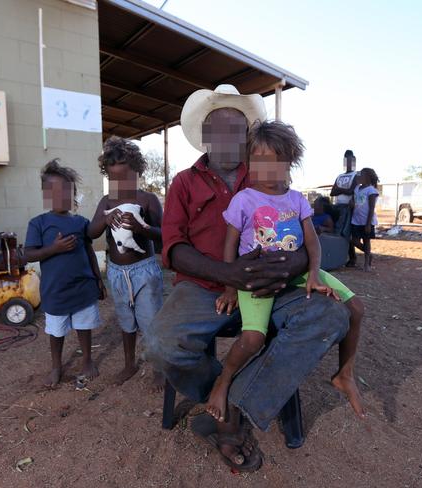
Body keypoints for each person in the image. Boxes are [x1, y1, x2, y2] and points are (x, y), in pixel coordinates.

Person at [145, 85, 350, 472]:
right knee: (160, 345)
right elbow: (173, 248)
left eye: (236, 130)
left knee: (330, 316)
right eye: (217, 130)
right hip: (205, 288)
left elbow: (307, 237)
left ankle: (233, 406)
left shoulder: (267, 173)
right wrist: (227, 274)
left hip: (272, 287)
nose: (228, 138)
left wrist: (292, 267)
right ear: (204, 137)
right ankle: (223, 400)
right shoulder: (184, 183)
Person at [206, 120, 366, 423]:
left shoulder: (296, 199)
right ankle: (224, 379)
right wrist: (230, 285)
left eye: (275, 161)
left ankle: (345, 374)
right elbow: (229, 245)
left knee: (356, 308)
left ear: (289, 162)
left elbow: (311, 242)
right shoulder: (244, 199)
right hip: (256, 278)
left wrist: (315, 274)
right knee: (252, 339)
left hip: (297, 271)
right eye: (258, 161)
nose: (266, 169)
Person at [87, 136, 165, 389]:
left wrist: (143, 228)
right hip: (117, 272)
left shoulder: (148, 200)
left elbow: (163, 236)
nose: (119, 183)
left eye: (124, 177)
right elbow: (91, 232)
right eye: (113, 178)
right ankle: (129, 363)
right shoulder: (107, 202)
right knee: (126, 320)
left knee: (151, 322)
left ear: (138, 172)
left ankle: (159, 368)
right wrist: (105, 221)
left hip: (145, 271)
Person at [24, 160, 106, 388]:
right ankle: (56, 366)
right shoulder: (38, 223)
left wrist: (98, 280)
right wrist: (54, 249)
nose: (61, 196)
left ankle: (87, 360)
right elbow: (28, 254)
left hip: (83, 288)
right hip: (55, 291)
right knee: (56, 331)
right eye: (54, 191)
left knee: (84, 326)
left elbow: (89, 252)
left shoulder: (81, 223)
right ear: (45, 194)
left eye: (66, 191)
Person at [330, 150, 359, 266]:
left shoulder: (356, 175)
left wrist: (339, 190)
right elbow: (332, 192)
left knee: (346, 233)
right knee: (337, 232)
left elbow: (352, 190)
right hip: (337, 206)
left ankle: (352, 257)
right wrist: (344, 190)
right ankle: (340, 256)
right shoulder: (340, 176)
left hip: (348, 208)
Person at [351, 168, 379, 272]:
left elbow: (371, 208)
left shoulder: (371, 190)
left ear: (367, 177)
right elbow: (354, 200)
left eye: (361, 175)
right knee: (354, 241)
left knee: (366, 241)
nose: (359, 177)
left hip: (367, 221)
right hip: (356, 220)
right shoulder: (357, 188)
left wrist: (368, 224)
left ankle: (367, 263)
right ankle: (369, 253)